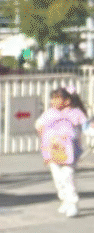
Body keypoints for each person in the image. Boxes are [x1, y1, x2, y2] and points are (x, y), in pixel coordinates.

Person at [35, 86, 87, 218]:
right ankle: (64, 199)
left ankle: (73, 203)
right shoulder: (50, 113)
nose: (53, 101)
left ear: (67, 100)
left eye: (57, 98)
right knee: (58, 177)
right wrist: (45, 136)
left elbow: (86, 127)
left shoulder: (76, 113)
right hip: (53, 150)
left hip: (70, 151)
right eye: (52, 98)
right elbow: (39, 124)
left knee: (67, 176)